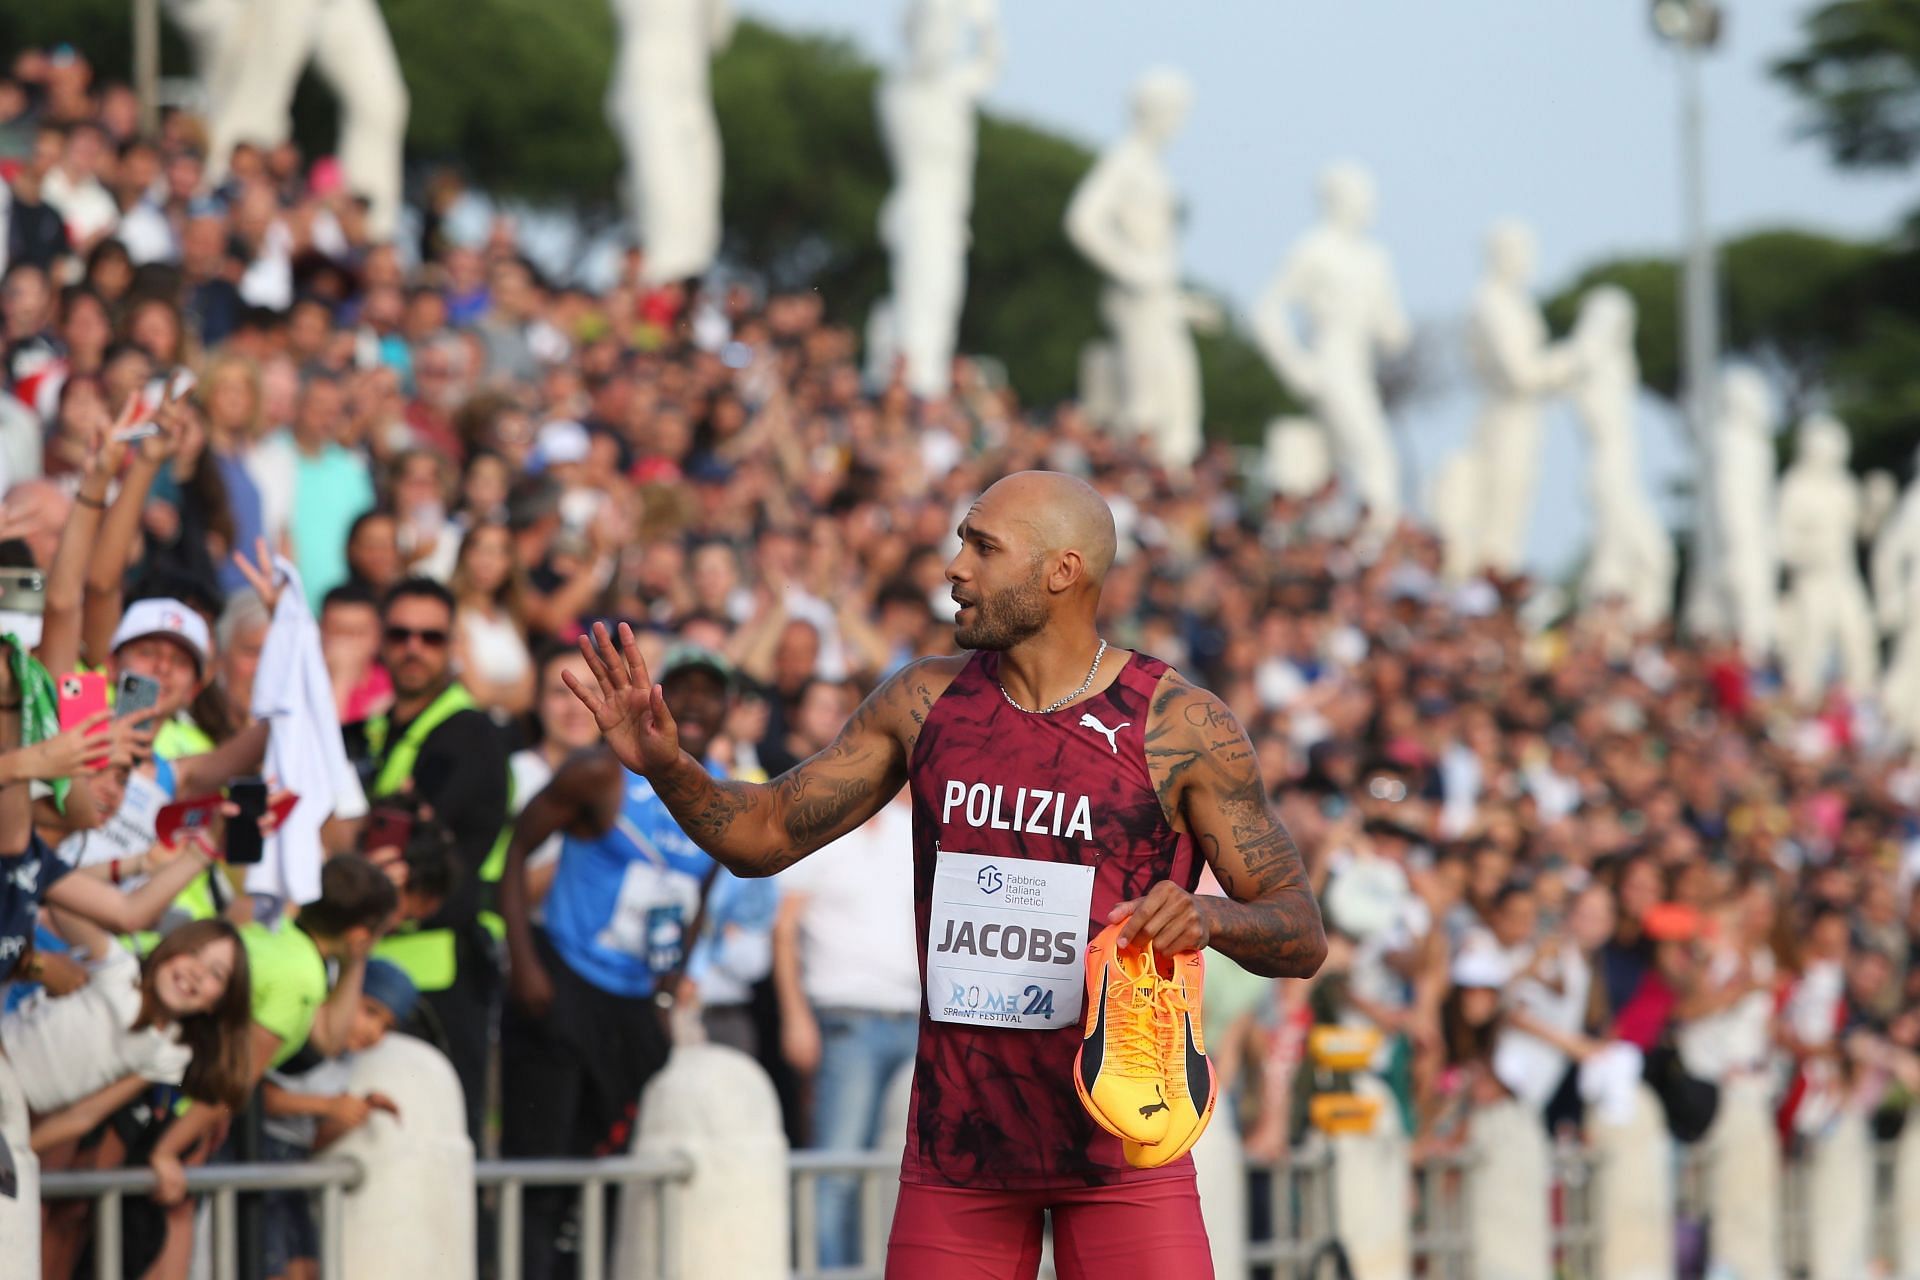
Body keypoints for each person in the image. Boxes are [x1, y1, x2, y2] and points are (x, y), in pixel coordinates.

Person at [565, 471, 1326, 1278]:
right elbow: (763, 836)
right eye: (961, 541)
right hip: (960, 1151)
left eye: (983, 546)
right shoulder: (927, 701)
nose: (954, 567)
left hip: (1123, 1146)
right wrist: (667, 765)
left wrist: (1211, 920)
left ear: (1061, 571)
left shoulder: (1178, 725)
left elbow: (1300, 930)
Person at [495, 644, 742, 1280]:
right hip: (562, 988)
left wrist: (664, 998)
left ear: (729, 709)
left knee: (604, 1174)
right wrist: (525, 963)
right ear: (657, 694)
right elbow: (515, 855)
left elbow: (699, 903)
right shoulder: (602, 773)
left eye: (710, 692)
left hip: (633, 1009)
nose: (695, 702)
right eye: (681, 687)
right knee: (539, 1170)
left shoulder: (723, 799)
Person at [355, 577, 508, 1152]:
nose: (413, 647)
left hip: (441, 972)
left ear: (452, 647)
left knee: (442, 1143)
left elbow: (413, 843)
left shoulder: (470, 734)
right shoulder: (373, 729)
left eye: (430, 636)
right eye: (400, 634)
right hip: (369, 961)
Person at [774, 788, 919, 1270]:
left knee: (907, 1172)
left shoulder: (910, 825)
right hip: (845, 1021)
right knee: (835, 1169)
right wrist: (795, 1018)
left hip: (916, 1018)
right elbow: (784, 928)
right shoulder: (818, 829)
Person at [259, 958, 414, 1280]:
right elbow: (261, 1099)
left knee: (307, 1268)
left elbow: (311, 1139)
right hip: (263, 1162)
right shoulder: (302, 1042)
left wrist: (354, 1113)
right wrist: (326, 1105)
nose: (373, 1032)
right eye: (369, 1012)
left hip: (294, 1171)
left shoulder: (344, 1063)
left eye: (385, 1026)